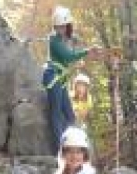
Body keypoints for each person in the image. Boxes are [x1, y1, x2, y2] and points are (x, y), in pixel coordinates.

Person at [43, 6, 100, 154]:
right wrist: (87, 52)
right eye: (60, 26)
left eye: (65, 26)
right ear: (56, 26)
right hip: (53, 78)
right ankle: (61, 150)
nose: (63, 29)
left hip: (60, 79)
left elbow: (69, 55)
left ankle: (74, 146)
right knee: (56, 114)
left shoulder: (62, 40)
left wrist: (87, 52)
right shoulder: (54, 40)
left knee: (69, 114)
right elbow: (68, 56)